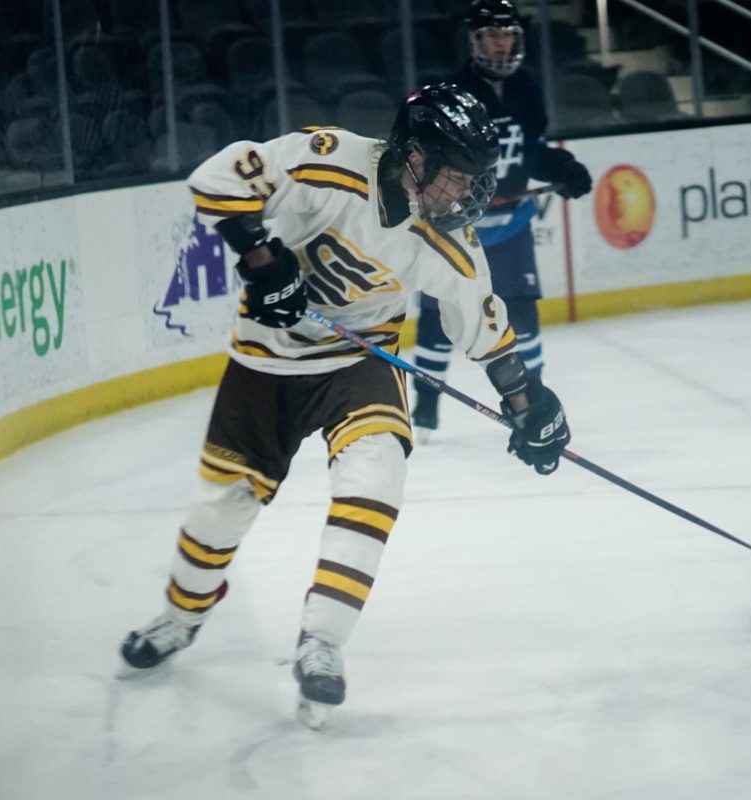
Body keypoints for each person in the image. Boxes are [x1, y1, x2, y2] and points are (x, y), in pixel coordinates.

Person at [118, 84, 572, 729]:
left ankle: (322, 641)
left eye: (473, 181)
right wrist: (262, 261)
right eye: (452, 178)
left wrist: (529, 405)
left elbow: (482, 325)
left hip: (361, 365)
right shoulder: (328, 161)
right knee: (223, 507)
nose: (462, 196)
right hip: (266, 360)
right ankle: (179, 616)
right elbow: (218, 175)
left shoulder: (448, 237)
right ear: (413, 156)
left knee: (377, 475)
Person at [409, 0, 592, 441]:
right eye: (491, 35)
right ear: (474, 41)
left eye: (507, 34)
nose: (500, 43)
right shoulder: (452, 92)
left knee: (523, 314)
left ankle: (533, 403)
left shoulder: (527, 89)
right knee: (437, 317)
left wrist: (560, 168)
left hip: (509, 224)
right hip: (453, 225)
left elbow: (530, 152)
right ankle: (426, 409)